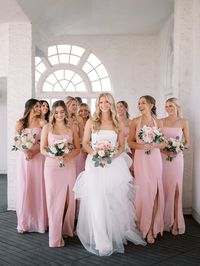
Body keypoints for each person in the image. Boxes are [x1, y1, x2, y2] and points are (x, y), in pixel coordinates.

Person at [73, 92, 146, 256]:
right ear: (97, 104)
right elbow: (84, 143)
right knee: (97, 200)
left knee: (114, 200)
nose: (103, 104)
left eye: (106, 101)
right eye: (101, 102)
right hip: (95, 164)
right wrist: (96, 154)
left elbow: (121, 146)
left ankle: (114, 233)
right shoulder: (92, 121)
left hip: (114, 165)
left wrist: (111, 156)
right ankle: (101, 240)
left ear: (111, 104)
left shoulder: (117, 123)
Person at [40, 100, 80, 247]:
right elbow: (43, 149)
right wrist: (54, 154)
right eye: (56, 112)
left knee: (68, 200)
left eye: (62, 112)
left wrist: (67, 155)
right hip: (51, 167)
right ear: (53, 113)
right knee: (54, 200)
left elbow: (77, 148)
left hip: (68, 166)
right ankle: (55, 236)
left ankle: (64, 229)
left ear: (66, 113)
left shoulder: (71, 128)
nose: (59, 115)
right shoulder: (47, 128)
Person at [128, 95, 164, 244]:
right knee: (143, 193)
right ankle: (143, 226)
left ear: (151, 105)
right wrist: (143, 146)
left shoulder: (159, 122)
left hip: (155, 159)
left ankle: (151, 228)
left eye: (143, 103)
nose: (140, 105)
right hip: (141, 160)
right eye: (139, 103)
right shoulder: (135, 121)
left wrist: (153, 144)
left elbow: (162, 144)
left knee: (154, 192)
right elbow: (130, 142)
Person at [15, 98, 47, 233]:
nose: (40, 109)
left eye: (40, 106)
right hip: (24, 159)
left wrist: (33, 151)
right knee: (25, 187)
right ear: (29, 107)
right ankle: (24, 222)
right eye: (37, 106)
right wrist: (26, 150)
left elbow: (45, 142)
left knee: (38, 187)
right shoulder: (20, 123)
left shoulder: (43, 123)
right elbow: (17, 141)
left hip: (39, 158)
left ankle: (40, 222)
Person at [160, 97, 190, 235]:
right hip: (163, 158)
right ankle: (163, 221)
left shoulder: (183, 122)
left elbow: (188, 143)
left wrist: (178, 149)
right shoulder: (161, 121)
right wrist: (166, 151)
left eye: (171, 106)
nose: (168, 109)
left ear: (177, 107)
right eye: (166, 106)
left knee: (176, 188)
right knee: (164, 187)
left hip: (177, 159)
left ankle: (176, 222)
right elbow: (158, 142)